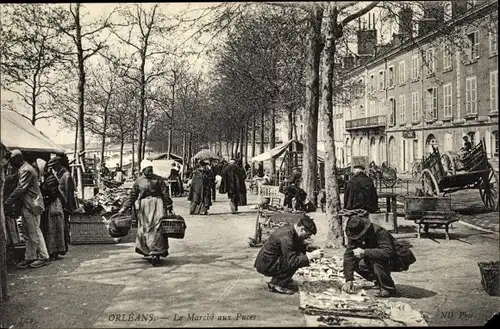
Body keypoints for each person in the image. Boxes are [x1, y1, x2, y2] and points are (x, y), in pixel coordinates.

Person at [341, 211, 416, 298]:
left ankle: (388, 289)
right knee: (356, 264)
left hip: (399, 258)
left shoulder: (379, 232)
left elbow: (388, 252)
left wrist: (365, 252)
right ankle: (379, 281)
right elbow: (348, 256)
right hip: (382, 257)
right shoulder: (354, 234)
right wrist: (349, 279)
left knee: (376, 260)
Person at [118, 160, 174, 266]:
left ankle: (157, 251)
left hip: (158, 204)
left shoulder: (158, 180)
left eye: (151, 170)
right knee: (145, 228)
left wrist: (169, 205)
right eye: (147, 170)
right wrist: (125, 207)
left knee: (157, 227)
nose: (149, 172)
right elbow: (132, 195)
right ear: (143, 170)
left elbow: (164, 193)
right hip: (144, 207)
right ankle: (148, 250)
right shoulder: (139, 182)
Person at [254, 215, 323, 295]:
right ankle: (276, 284)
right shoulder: (286, 237)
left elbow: (295, 244)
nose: (307, 237)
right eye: (307, 235)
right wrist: (310, 256)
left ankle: (282, 278)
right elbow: (292, 261)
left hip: (269, 260)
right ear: (302, 229)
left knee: (298, 256)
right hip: (266, 264)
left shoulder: (291, 230)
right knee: (295, 261)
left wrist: (307, 247)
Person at [4, 150, 50, 268]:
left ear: (18, 158)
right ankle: (30, 257)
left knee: (34, 231)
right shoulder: (23, 168)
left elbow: (20, 188)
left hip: (33, 205)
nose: (12, 163)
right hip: (28, 204)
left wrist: (8, 202)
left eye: (12, 160)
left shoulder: (26, 170)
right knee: (27, 232)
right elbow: (13, 178)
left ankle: (44, 256)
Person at [38, 158, 67, 261]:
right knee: (53, 229)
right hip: (52, 205)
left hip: (54, 206)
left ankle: (55, 251)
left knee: (54, 228)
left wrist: (44, 201)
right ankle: (54, 251)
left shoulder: (51, 179)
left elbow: (52, 194)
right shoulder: (48, 178)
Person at [47, 156, 77, 252]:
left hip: (64, 204)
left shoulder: (66, 175)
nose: (53, 168)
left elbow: (69, 193)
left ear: (58, 164)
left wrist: (68, 207)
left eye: (54, 166)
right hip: (60, 203)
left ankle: (64, 247)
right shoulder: (59, 174)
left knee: (63, 227)